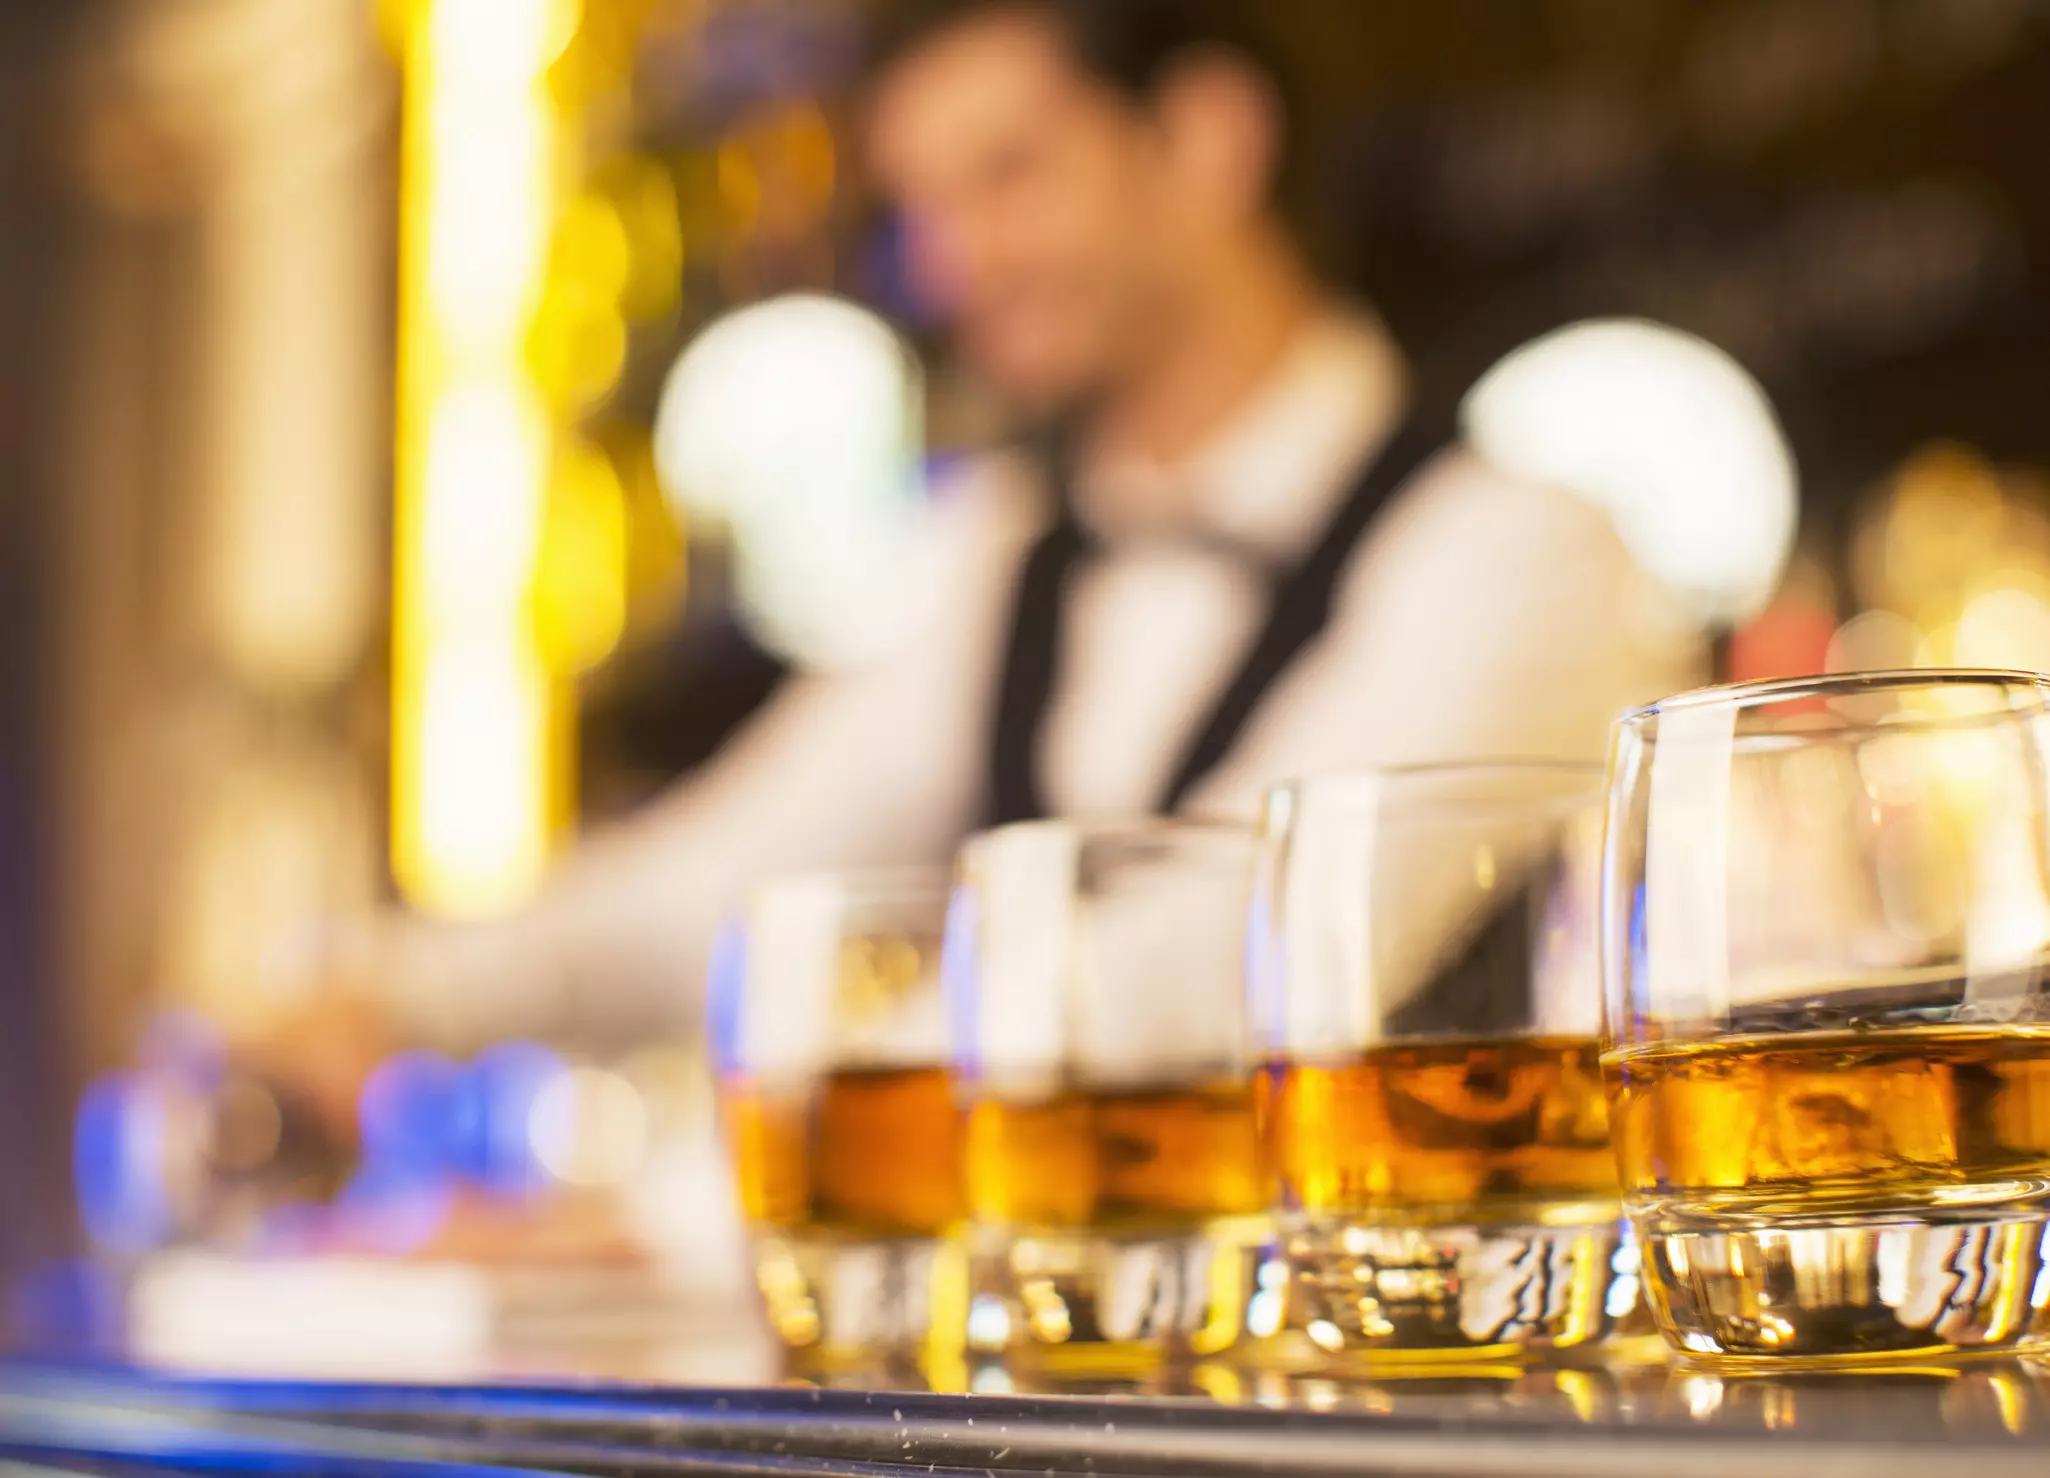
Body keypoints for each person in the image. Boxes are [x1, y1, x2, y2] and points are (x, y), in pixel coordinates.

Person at [360, 0, 1705, 1046]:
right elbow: (718, 883)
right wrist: (390, 996)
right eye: (924, 208)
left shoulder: (1519, 550)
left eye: (1006, 177)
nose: (951, 264)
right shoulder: (995, 550)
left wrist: (714, 1191)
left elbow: (1227, 961)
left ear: (1204, 139)